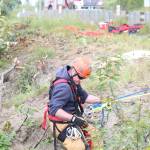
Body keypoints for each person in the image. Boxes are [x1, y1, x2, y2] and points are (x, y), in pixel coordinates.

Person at [47, 57, 102, 150]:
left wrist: (101, 100)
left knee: (96, 136)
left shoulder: (73, 79)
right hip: (60, 122)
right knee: (78, 147)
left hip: (72, 117)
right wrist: (73, 119)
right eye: (80, 77)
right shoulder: (64, 87)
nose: (80, 80)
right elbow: (54, 110)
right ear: (74, 71)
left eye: (83, 78)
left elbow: (85, 97)